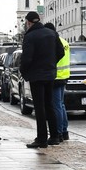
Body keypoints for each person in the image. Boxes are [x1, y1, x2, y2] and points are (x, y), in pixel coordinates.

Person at [20, 11, 65, 149]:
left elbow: (27, 58)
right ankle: (55, 136)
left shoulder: (30, 36)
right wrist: (51, 64)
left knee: (39, 107)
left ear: (28, 22)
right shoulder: (51, 33)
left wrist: (24, 71)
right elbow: (61, 52)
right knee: (49, 105)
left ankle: (41, 138)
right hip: (50, 74)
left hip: (36, 75)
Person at [45, 22, 70, 142]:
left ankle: (59, 132)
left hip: (55, 77)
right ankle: (65, 131)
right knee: (61, 105)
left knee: (56, 107)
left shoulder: (53, 42)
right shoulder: (64, 41)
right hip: (64, 76)